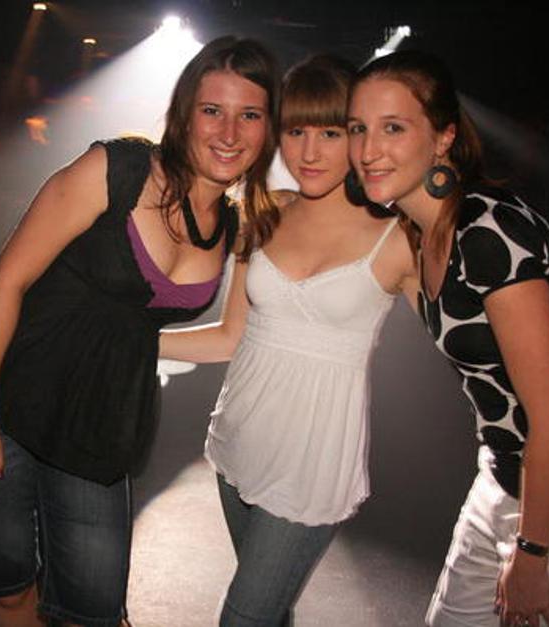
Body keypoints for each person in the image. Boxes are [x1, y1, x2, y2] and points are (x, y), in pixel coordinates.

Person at [0, 36, 280, 627]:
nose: (229, 132)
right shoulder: (117, 169)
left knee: (93, 609)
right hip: (4, 400)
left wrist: (140, 345)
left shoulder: (234, 226)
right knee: (9, 588)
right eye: (211, 110)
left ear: (267, 129)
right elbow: (7, 282)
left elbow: (227, 339)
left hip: (97, 426)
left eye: (249, 115)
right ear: (184, 115)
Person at [345, 50, 549, 627]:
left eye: (393, 128)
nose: (368, 149)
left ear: (443, 138)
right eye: (358, 128)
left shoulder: (487, 228)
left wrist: (533, 555)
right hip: (505, 475)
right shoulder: (419, 233)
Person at [159, 54, 418, 626]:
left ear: (357, 136)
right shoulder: (266, 212)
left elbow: (469, 332)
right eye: (296, 131)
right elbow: (230, 337)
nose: (309, 152)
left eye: (330, 133)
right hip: (238, 441)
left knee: (244, 617)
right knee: (270, 613)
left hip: (311, 466)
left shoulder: (399, 237)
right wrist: (136, 340)